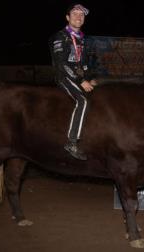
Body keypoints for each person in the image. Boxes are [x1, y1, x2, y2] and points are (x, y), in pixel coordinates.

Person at [49, 3, 97, 160]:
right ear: (67, 17)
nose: (79, 16)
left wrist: (89, 78)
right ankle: (72, 142)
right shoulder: (60, 37)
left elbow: (82, 64)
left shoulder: (81, 39)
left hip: (77, 76)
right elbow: (61, 64)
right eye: (75, 13)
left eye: (81, 15)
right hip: (64, 77)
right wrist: (81, 80)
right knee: (82, 101)